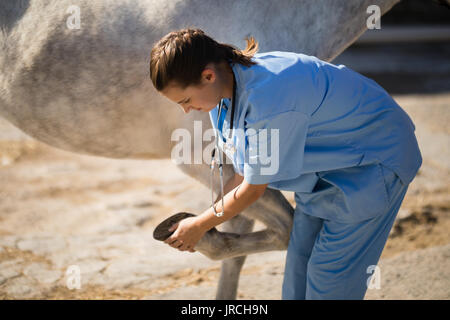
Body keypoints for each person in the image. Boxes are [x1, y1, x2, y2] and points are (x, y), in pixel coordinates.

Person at [148, 28, 422, 299]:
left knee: (327, 280)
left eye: (185, 100)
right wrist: (205, 221)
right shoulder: (223, 92)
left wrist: (200, 225)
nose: (185, 110)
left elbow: (253, 190)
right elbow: (243, 175)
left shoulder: (267, 99)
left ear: (207, 75)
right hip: (327, 174)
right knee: (298, 271)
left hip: (373, 163)